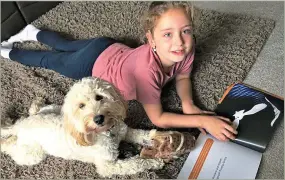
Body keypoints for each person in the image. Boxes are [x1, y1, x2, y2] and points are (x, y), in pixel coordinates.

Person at [0, 1, 237, 141]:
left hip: (108, 45)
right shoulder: (146, 70)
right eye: (167, 34)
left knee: (65, 44)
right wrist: (200, 120)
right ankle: (6, 51)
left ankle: (32, 32)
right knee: (50, 59)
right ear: (150, 39)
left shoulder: (186, 47)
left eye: (185, 31)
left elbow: (183, 75)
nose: (179, 42)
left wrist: (188, 104)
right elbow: (158, 118)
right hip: (91, 65)